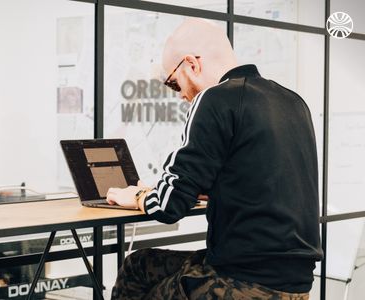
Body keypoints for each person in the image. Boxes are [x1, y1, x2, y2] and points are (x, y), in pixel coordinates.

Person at [106, 18, 323, 300]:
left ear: (192, 64)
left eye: (174, 83)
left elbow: (170, 205)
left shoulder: (215, 98)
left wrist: (137, 196)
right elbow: (265, 179)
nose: (181, 95)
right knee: (139, 264)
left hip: (246, 281)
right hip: (296, 281)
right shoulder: (292, 100)